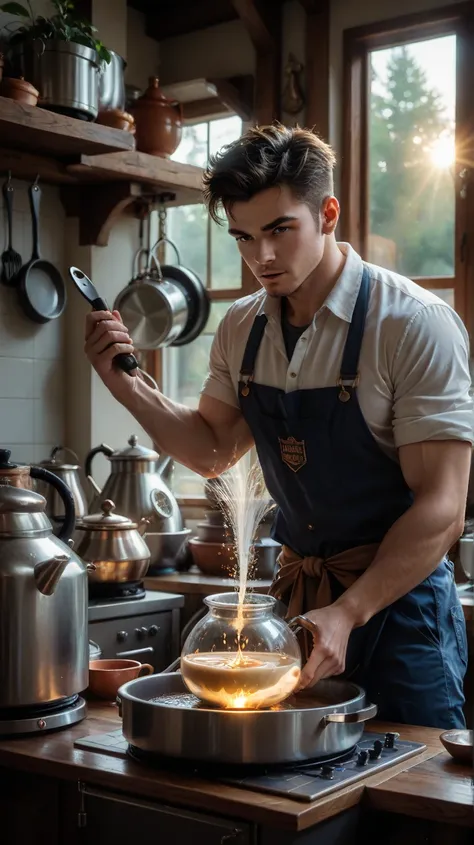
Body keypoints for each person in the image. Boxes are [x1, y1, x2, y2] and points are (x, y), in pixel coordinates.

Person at [84, 124, 472, 729]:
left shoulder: (412, 324)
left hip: (403, 611)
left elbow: (443, 507)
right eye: (242, 236)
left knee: (409, 799)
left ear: (328, 214)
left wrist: (348, 612)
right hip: (301, 607)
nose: (259, 257)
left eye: (279, 230)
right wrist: (126, 386)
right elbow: (212, 449)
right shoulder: (241, 328)